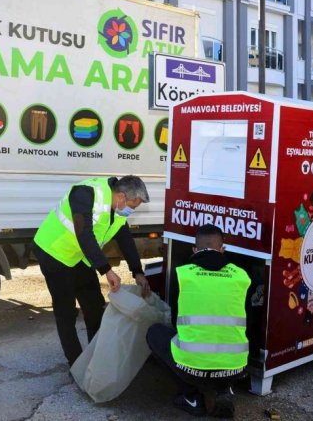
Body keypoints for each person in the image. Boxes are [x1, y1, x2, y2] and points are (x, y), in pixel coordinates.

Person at [33, 175, 151, 366]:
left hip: (79, 256)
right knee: (66, 312)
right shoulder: (85, 193)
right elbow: (84, 233)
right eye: (133, 206)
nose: (132, 210)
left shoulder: (118, 210)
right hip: (54, 253)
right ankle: (76, 364)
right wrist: (106, 270)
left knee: (94, 307)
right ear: (121, 197)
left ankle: (96, 360)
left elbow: (125, 238)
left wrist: (137, 271)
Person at [146, 224, 251, 418]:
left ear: (195, 250)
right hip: (235, 367)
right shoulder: (241, 275)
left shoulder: (183, 274)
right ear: (222, 249)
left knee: (154, 332)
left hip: (192, 369)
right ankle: (224, 389)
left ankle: (191, 397)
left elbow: (176, 320)